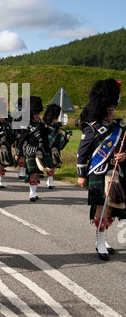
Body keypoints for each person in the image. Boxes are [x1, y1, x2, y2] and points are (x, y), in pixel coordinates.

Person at [77, 79, 126, 261]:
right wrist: (81, 175)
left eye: (114, 109)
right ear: (103, 109)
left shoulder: (119, 128)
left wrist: (124, 155)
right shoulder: (92, 129)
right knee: (102, 208)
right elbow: (82, 154)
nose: (113, 113)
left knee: (112, 208)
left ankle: (104, 240)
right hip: (99, 172)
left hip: (116, 173)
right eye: (110, 110)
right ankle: (100, 243)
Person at [15, 96, 51, 201]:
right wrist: (17, 153)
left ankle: (34, 193)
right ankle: (32, 194)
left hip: (40, 151)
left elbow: (45, 138)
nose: (37, 116)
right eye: (34, 113)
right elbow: (21, 140)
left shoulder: (42, 124)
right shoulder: (26, 125)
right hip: (30, 150)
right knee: (33, 172)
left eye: (37, 113)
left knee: (38, 173)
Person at [43, 104, 71, 189]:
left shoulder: (58, 126)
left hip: (55, 148)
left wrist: (65, 138)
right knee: (47, 165)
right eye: (55, 117)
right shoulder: (43, 125)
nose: (56, 119)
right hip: (46, 147)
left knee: (53, 165)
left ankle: (50, 181)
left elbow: (60, 141)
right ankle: (46, 180)